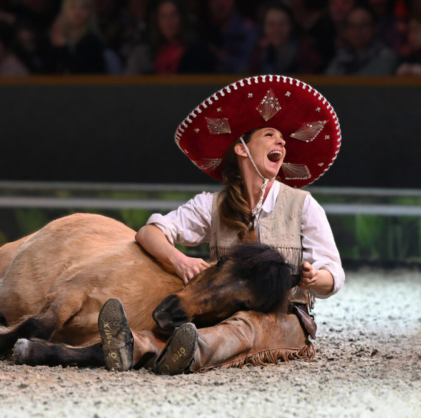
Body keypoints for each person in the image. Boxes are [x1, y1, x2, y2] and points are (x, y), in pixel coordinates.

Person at [97, 75, 345, 374]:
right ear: (242, 149)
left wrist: (313, 278)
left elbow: (334, 275)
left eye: (282, 139)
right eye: (269, 135)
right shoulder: (211, 205)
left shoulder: (302, 205)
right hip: (221, 307)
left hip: (283, 317)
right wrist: (179, 260)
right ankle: (131, 345)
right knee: (187, 308)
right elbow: (149, 232)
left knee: (245, 326)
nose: (281, 141)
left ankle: (184, 352)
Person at [125, 0, 215, 74]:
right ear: (157, 21)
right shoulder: (147, 53)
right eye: (163, 16)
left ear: (181, 18)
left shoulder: (198, 51)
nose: (169, 21)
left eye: (173, 15)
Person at [250, 4, 323, 74]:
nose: (277, 30)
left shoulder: (306, 54)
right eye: (271, 24)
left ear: (291, 26)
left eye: (282, 24)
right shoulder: (259, 53)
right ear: (264, 27)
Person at [326, 6, 398, 75]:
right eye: (352, 26)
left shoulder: (387, 57)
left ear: (374, 28)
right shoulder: (341, 57)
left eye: (363, 25)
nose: (357, 31)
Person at [48, 0, 106, 73]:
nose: (78, 12)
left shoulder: (92, 41)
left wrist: (62, 46)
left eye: (83, 7)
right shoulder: (52, 37)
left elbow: (83, 70)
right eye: (73, 7)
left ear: (90, 11)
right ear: (64, 9)